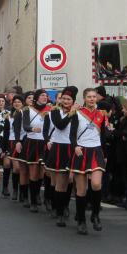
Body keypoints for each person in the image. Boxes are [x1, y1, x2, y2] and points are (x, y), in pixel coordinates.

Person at [69, 88, 108, 234]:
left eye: (94, 96)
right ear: (84, 98)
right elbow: (72, 134)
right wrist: (75, 146)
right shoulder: (77, 113)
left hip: (97, 151)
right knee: (81, 189)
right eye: (89, 97)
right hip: (81, 151)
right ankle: (81, 220)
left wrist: (105, 154)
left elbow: (103, 136)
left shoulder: (101, 114)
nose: (92, 99)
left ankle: (95, 214)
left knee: (96, 184)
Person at [44, 86, 76, 226]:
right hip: (58, 147)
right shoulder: (55, 111)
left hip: (71, 147)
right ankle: (59, 210)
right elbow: (60, 125)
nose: (66, 101)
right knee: (58, 182)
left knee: (69, 180)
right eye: (64, 98)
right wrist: (71, 114)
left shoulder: (77, 113)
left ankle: (64, 206)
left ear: (73, 100)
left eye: (69, 99)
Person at [22, 90, 51, 212]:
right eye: (42, 95)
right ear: (37, 98)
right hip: (33, 142)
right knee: (34, 173)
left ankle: (42, 196)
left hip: (45, 142)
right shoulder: (28, 109)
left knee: (42, 173)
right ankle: (33, 200)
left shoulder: (50, 110)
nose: (44, 97)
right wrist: (33, 128)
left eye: (46, 96)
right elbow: (25, 126)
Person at [5, 94, 25, 201]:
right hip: (12, 142)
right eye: (15, 102)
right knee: (16, 168)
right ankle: (15, 190)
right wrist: (5, 147)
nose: (17, 104)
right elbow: (6, 132)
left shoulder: (26, 114)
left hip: (25, 141)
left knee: (23, 169)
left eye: (19, 102)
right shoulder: (9, 116)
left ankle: (22, 192)